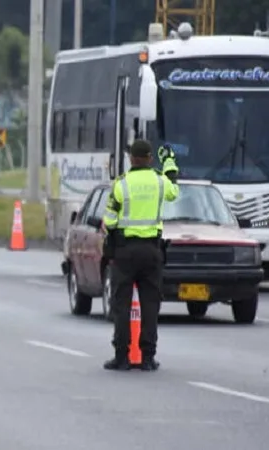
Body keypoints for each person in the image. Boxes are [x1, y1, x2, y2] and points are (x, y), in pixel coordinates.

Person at [101, 140, 180, 371]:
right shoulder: (159, 181)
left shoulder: (121, 185)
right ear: (149, 159)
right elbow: (174, 192)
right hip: (152, 251)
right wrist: (170, 163)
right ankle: (147, 358)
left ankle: (122, 357)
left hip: (125, 252)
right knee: (150, 306)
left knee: (121, 305)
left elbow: (109, 220)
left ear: (131, 159)